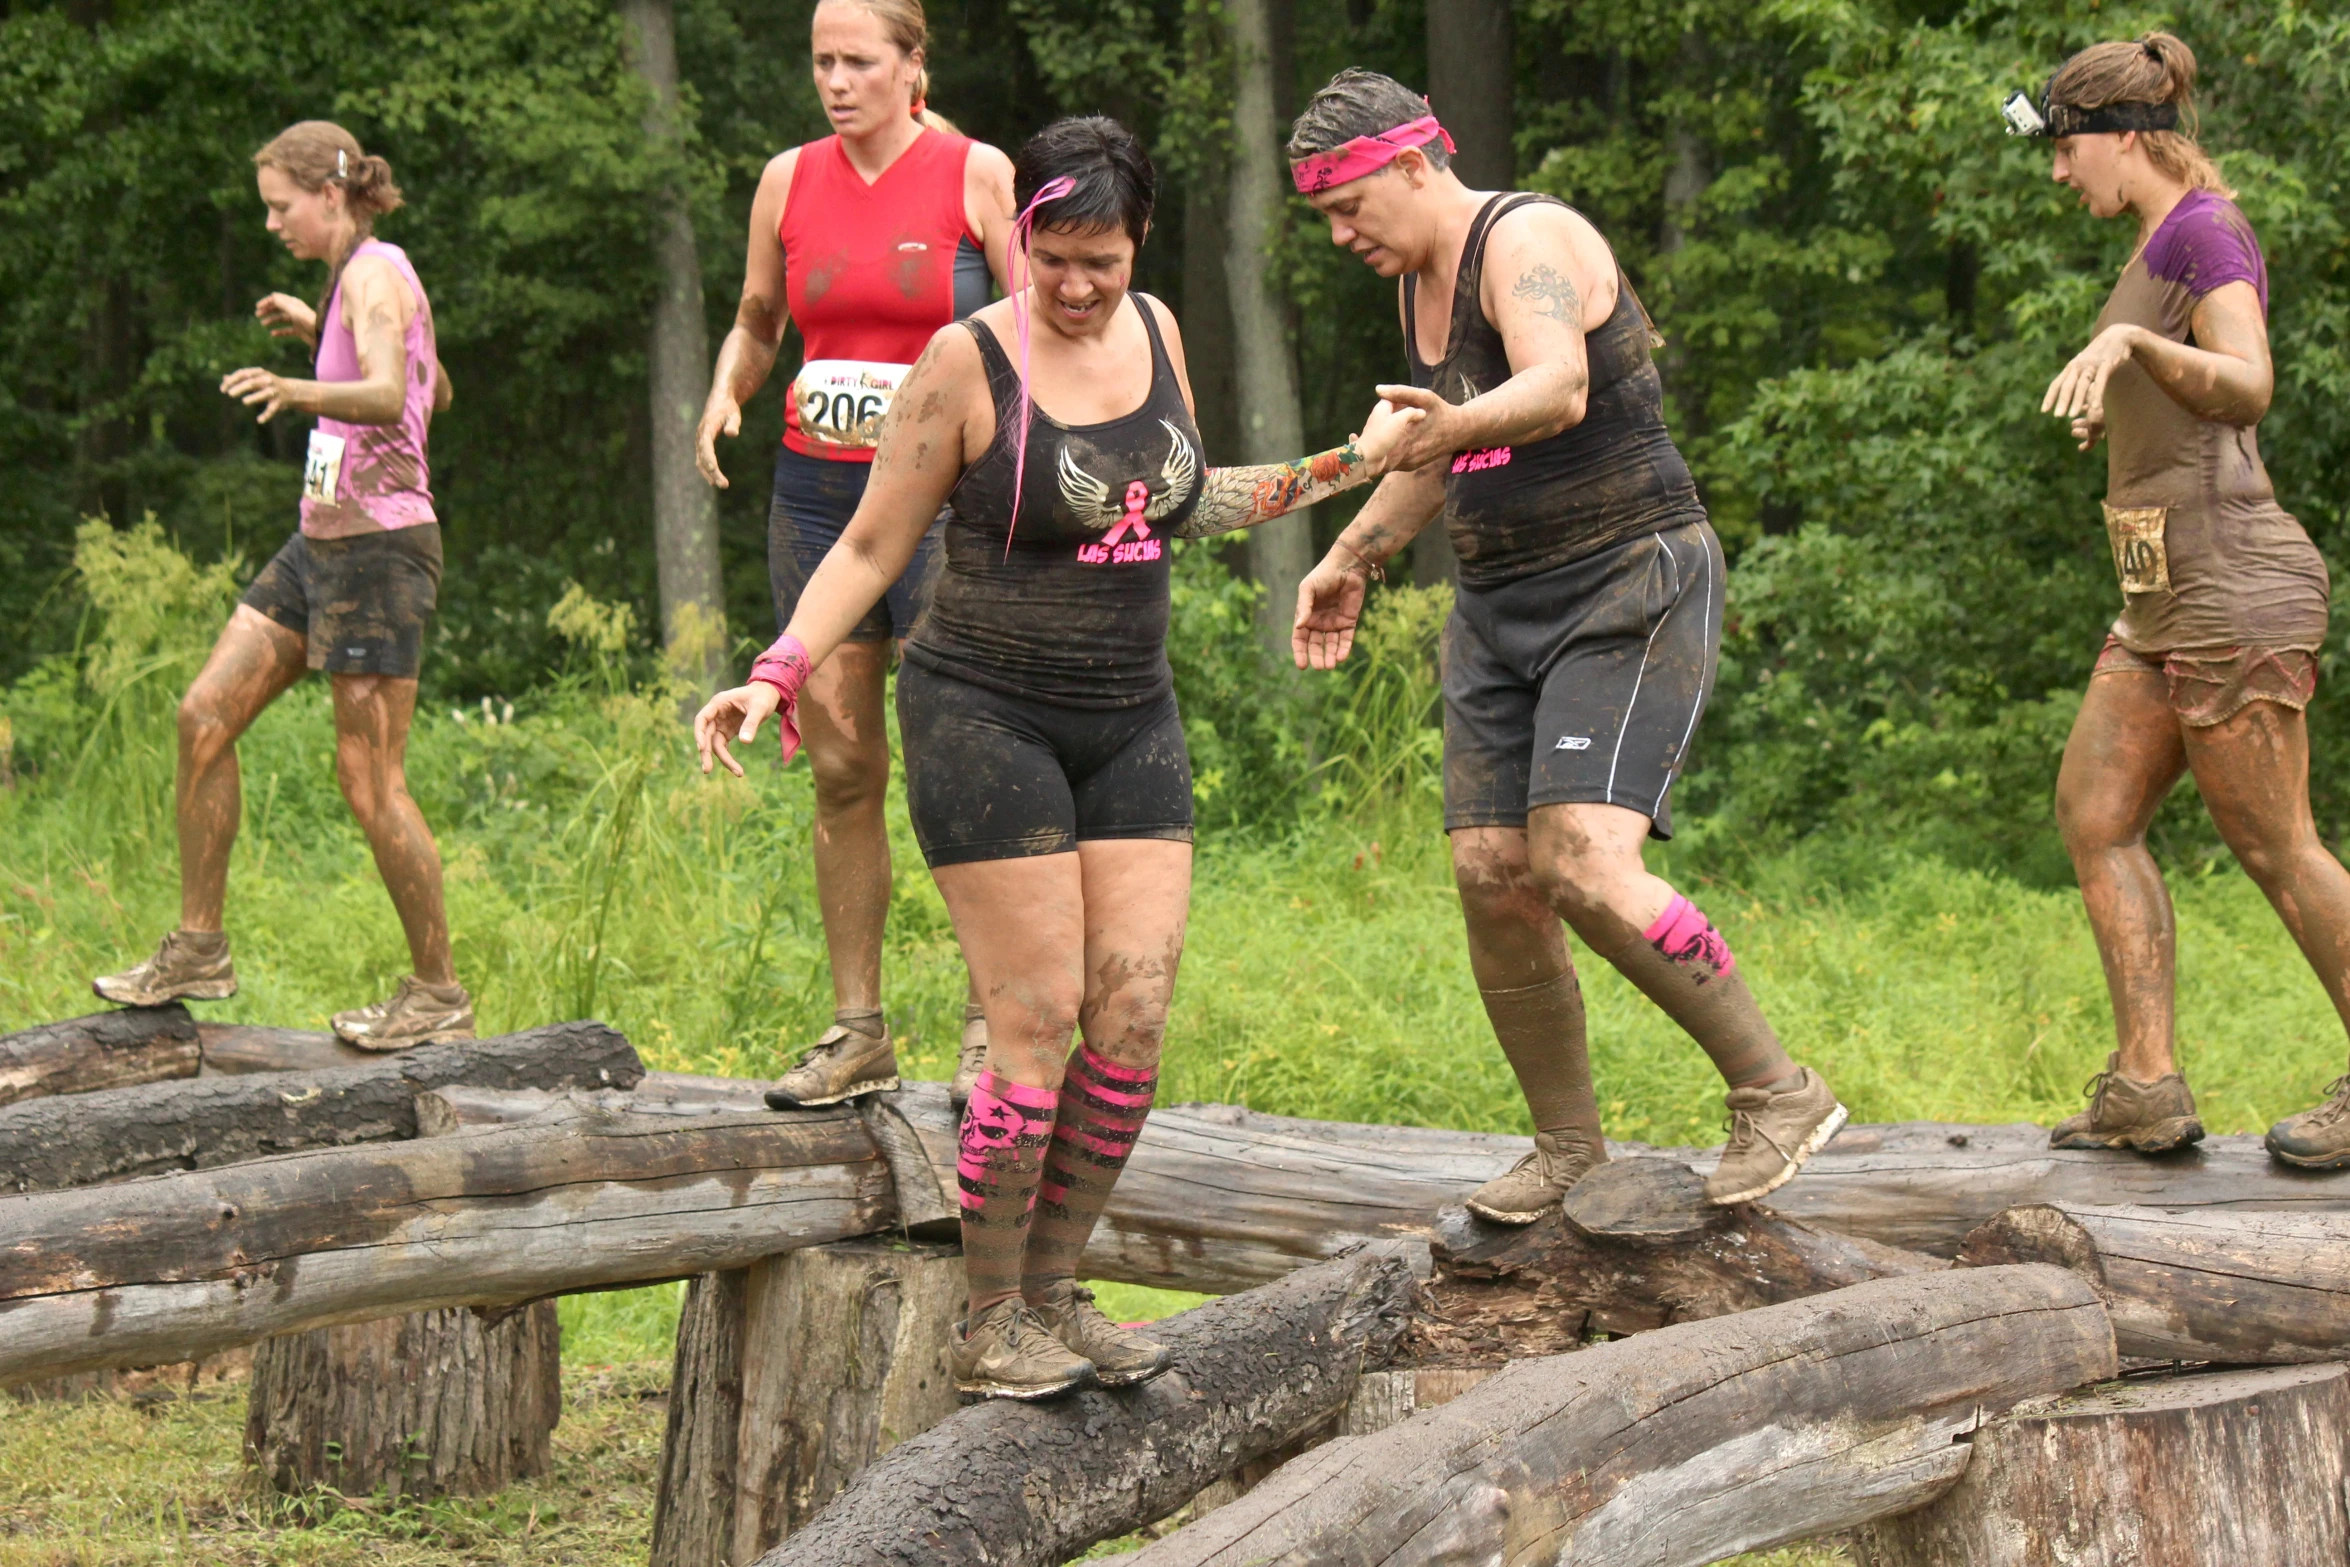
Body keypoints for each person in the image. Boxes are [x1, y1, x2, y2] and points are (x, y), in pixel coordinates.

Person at [695, 117, 1417, 1398]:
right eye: (1057, 256)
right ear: (1019, 230)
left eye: (1107, 258)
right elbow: (866, 547)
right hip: (986, 715)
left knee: (1130, 1025)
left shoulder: (1159, 333)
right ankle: (986, 1320)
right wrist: (777, 671)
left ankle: (1056, 1288)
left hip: (1131, 712)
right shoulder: (963, 362)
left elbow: (1186, 499)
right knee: (1032, 1027)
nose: (1081, 286)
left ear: (1138, 243)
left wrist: (1351, 464)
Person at [1285, 70, 1846, 1219]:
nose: (1340, 234)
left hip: (1624, 579)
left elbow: (1553, 386)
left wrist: (1445, 424)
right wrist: (1351, 556)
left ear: (1409, 164)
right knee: (1491, 875)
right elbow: (1445, 453)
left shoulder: (1528, 236)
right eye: (1322, 218)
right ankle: (1567, 1148)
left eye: (1348, 206)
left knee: (1583, 864)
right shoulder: (1416, 289)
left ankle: (1777, 1092)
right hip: (1498, 605)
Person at [2005, 36, 2350, 1166]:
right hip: (2161, 599)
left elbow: (2247, 381)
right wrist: (2130, 393)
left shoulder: (2202, 228)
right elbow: (2179, 383)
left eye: (2065, 149)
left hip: (2230, 585)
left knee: (2277, 846)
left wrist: (2130, 343)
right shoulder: (2159, 241)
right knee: (2094, 815)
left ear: (2121, 135)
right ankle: (2146, 1086)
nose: (2060, 174)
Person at [695, 0, 1015, 1111]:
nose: (835, 80)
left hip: (945, 504)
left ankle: (991, 1024)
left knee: (955, 760)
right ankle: (858, 1028)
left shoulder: (976, 174)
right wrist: (726, 389)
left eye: (858, 61)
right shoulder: (787, 179)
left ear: (911, 66)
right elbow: (756, 317)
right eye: (821, 60)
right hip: (819, 492)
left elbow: (1034, 329)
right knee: (839, 766)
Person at [93, 122, 470, 1049]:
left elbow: (390, 395)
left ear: (329, 193)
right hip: (320, 542)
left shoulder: (378, 270)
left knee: (369, 780)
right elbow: (436, 389)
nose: (271, 223)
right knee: (203, 715)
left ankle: (437, 991)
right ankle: (198, 946)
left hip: (381, 550)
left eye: (279, 204)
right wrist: (321, 329)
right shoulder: (351, 287)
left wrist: (297, 386)